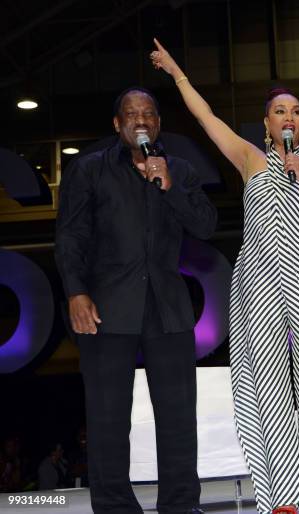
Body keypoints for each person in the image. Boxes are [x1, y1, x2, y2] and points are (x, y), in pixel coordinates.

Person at [149, 39, 299, 514]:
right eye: (279, 111)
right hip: (259, 280)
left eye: (295, 110)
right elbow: (207, 119)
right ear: (267, 123)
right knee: (269, 388)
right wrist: (177, 74)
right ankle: (284, 498)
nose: (288, 116)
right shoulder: (250, 159)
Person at [55, 86, 217, 514]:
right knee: (108, 414)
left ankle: (181, 505)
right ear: (117, 123)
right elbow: (70, 237)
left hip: (168, 304)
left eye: (148, 114)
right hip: (106, 304)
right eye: (131, 114)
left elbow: (204, 224)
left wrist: (169, 186)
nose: (140, 120)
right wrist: (76, 291)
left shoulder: (177, 170)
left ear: (158, 124)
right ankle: (114, 506)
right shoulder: (88, 170)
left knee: (179, 414)